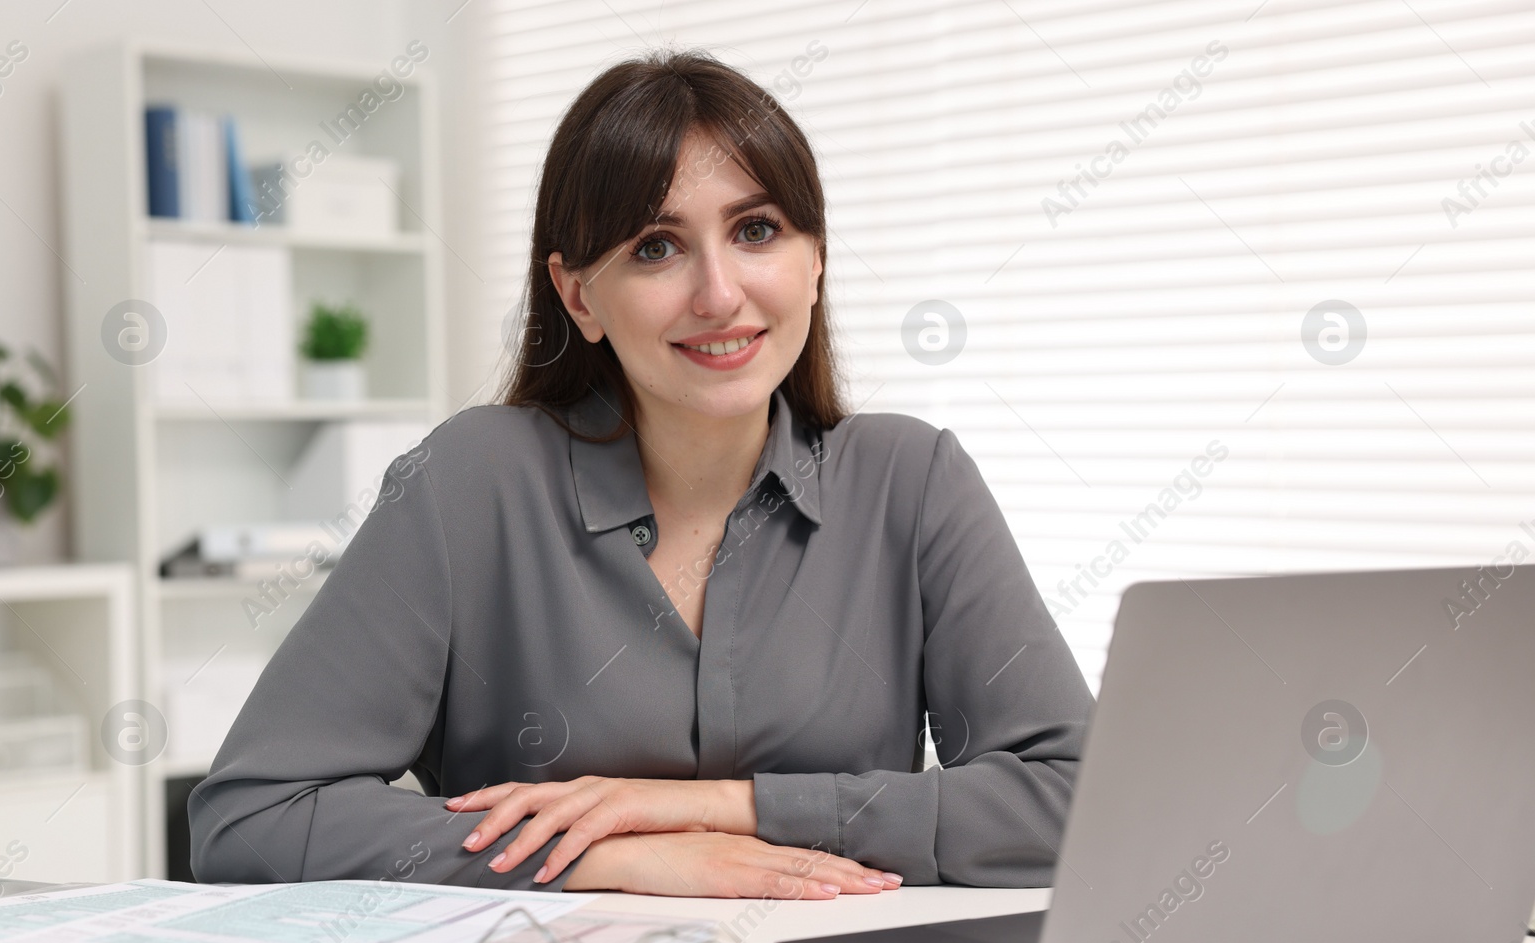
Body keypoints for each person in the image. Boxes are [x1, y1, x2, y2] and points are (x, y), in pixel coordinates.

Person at [189, 48, 1092, 899]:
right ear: (579, 295)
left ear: (814, 262)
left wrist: (719, 809)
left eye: (757, 230)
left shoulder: (912, 479)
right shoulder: (470, 484)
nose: (719, 293)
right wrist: (612, 861)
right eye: (657, 246)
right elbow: (253, 817)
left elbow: (1078, 801)